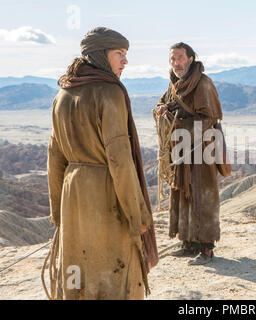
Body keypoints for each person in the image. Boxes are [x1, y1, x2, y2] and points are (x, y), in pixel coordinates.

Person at [46, 27, 158, 300]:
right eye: (119, 53)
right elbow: (119, 159)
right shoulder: (110, 92)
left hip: (73, 196)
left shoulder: (62, 94)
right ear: (100, 54)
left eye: (126, 54)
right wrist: (137, 215)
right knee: (114, 271)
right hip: (107, 195)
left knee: (77, 272)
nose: (125, 61)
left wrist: (58, 211)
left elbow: (54, 157)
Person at [154, 42, 223, 265]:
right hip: (182, 150)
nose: (176, 63)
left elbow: (209, 119)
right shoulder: (175, 83)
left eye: (180, 58)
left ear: (190, 59)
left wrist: (179, 125)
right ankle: (187, 243)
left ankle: (206, 249)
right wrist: (162, 109)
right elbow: (165, 102)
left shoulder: (203, 84)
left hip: (202, 150)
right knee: (183, 193)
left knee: (203, 195)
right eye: (172, 59)